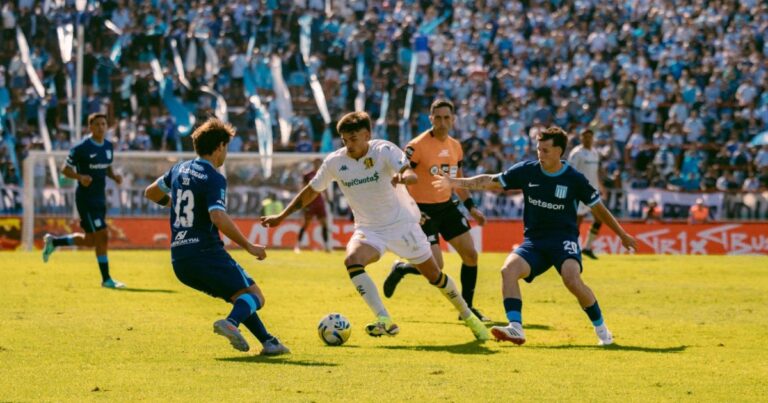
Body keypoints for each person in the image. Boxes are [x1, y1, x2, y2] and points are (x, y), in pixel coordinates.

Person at [260, 111, 489, 341]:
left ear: (367, 135)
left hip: (403, 226)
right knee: (352, 261)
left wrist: (406, 177)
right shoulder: (335, 162)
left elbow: (407, 171)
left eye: (354, 139)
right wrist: (282, 215)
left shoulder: (384, 150)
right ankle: (384, 319)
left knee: (435, 276)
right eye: (345, 140)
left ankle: (468, 316)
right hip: (369, 230)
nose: (349, 145)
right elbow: (311, 191)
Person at [433, 126, 637, 346]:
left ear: (559, 151)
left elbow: (599, 209)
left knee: (572, 279)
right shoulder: (527, 171)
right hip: (535, 243)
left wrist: (622, 234)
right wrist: (455, 183)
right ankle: (516, 328)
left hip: (564, 241)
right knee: (508, 270)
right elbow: (490, 180)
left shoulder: (574, 179)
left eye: (546, 150)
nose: (540, 154)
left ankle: (602, 330)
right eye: (539, 149)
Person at [144, 118, 289, 356]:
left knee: (240, 296)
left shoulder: (178, 169)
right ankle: (231, 323)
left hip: (180, 261)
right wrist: (249, 246)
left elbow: (151, 192)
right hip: (206, 253)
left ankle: (269, 342)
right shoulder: (214, 177)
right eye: (227, 148)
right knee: (255, 296)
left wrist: (175, 205)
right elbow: (218, 217)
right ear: (220, 146)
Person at [382, 99, 489, 321]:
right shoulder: (417, 146)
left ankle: (467, 309)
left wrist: (472, 208)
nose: (442, 122)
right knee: (436, 266)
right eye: (437, 117)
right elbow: (398, 178)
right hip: (423, 212)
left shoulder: (456, 146)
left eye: (446, 117)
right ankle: (402, 268)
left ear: (453, 119)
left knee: (470, 255)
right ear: (431, 119)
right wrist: (410, 209)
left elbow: (458, 180)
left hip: (447, 207)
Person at [42, 113, 126, 288]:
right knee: (102, 236)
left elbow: (106, 167)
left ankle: (55, 242)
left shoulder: (109, 146)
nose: (101, 127)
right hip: (86, 199)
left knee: (90, 241)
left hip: (100, 198)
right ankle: (106, 279)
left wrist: (115, 176)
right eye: (97, 124)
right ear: (90, 127)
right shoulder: (81, 148)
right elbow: (65, 169)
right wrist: (80, 177)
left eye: (103, 124)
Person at [568, 129, 603, 259]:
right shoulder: (577, 153)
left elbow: (596, 172)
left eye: (590, 137)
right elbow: (570, 172)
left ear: (593, 138)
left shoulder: (595, 153)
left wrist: (601, 186)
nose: (587, 139)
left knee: (599, 219)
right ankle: (572, 249)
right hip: (580, 192)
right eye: (585, 137)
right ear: (581, 138)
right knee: (577, 222)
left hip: (593, 192)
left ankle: (587, 247)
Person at [294, 158, 331, 253]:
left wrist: (328, 199)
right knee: (306, 224)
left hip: (320, 202)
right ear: (313, 164)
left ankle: (326, 246)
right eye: (316, 162)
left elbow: (325, 188)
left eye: (319, 163)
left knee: (324, 224)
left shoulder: (322, 174)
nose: (318, 164)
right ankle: (298, 246)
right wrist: (302, 202)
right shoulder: (307, 175)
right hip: (310, 202)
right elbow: (303, 188)